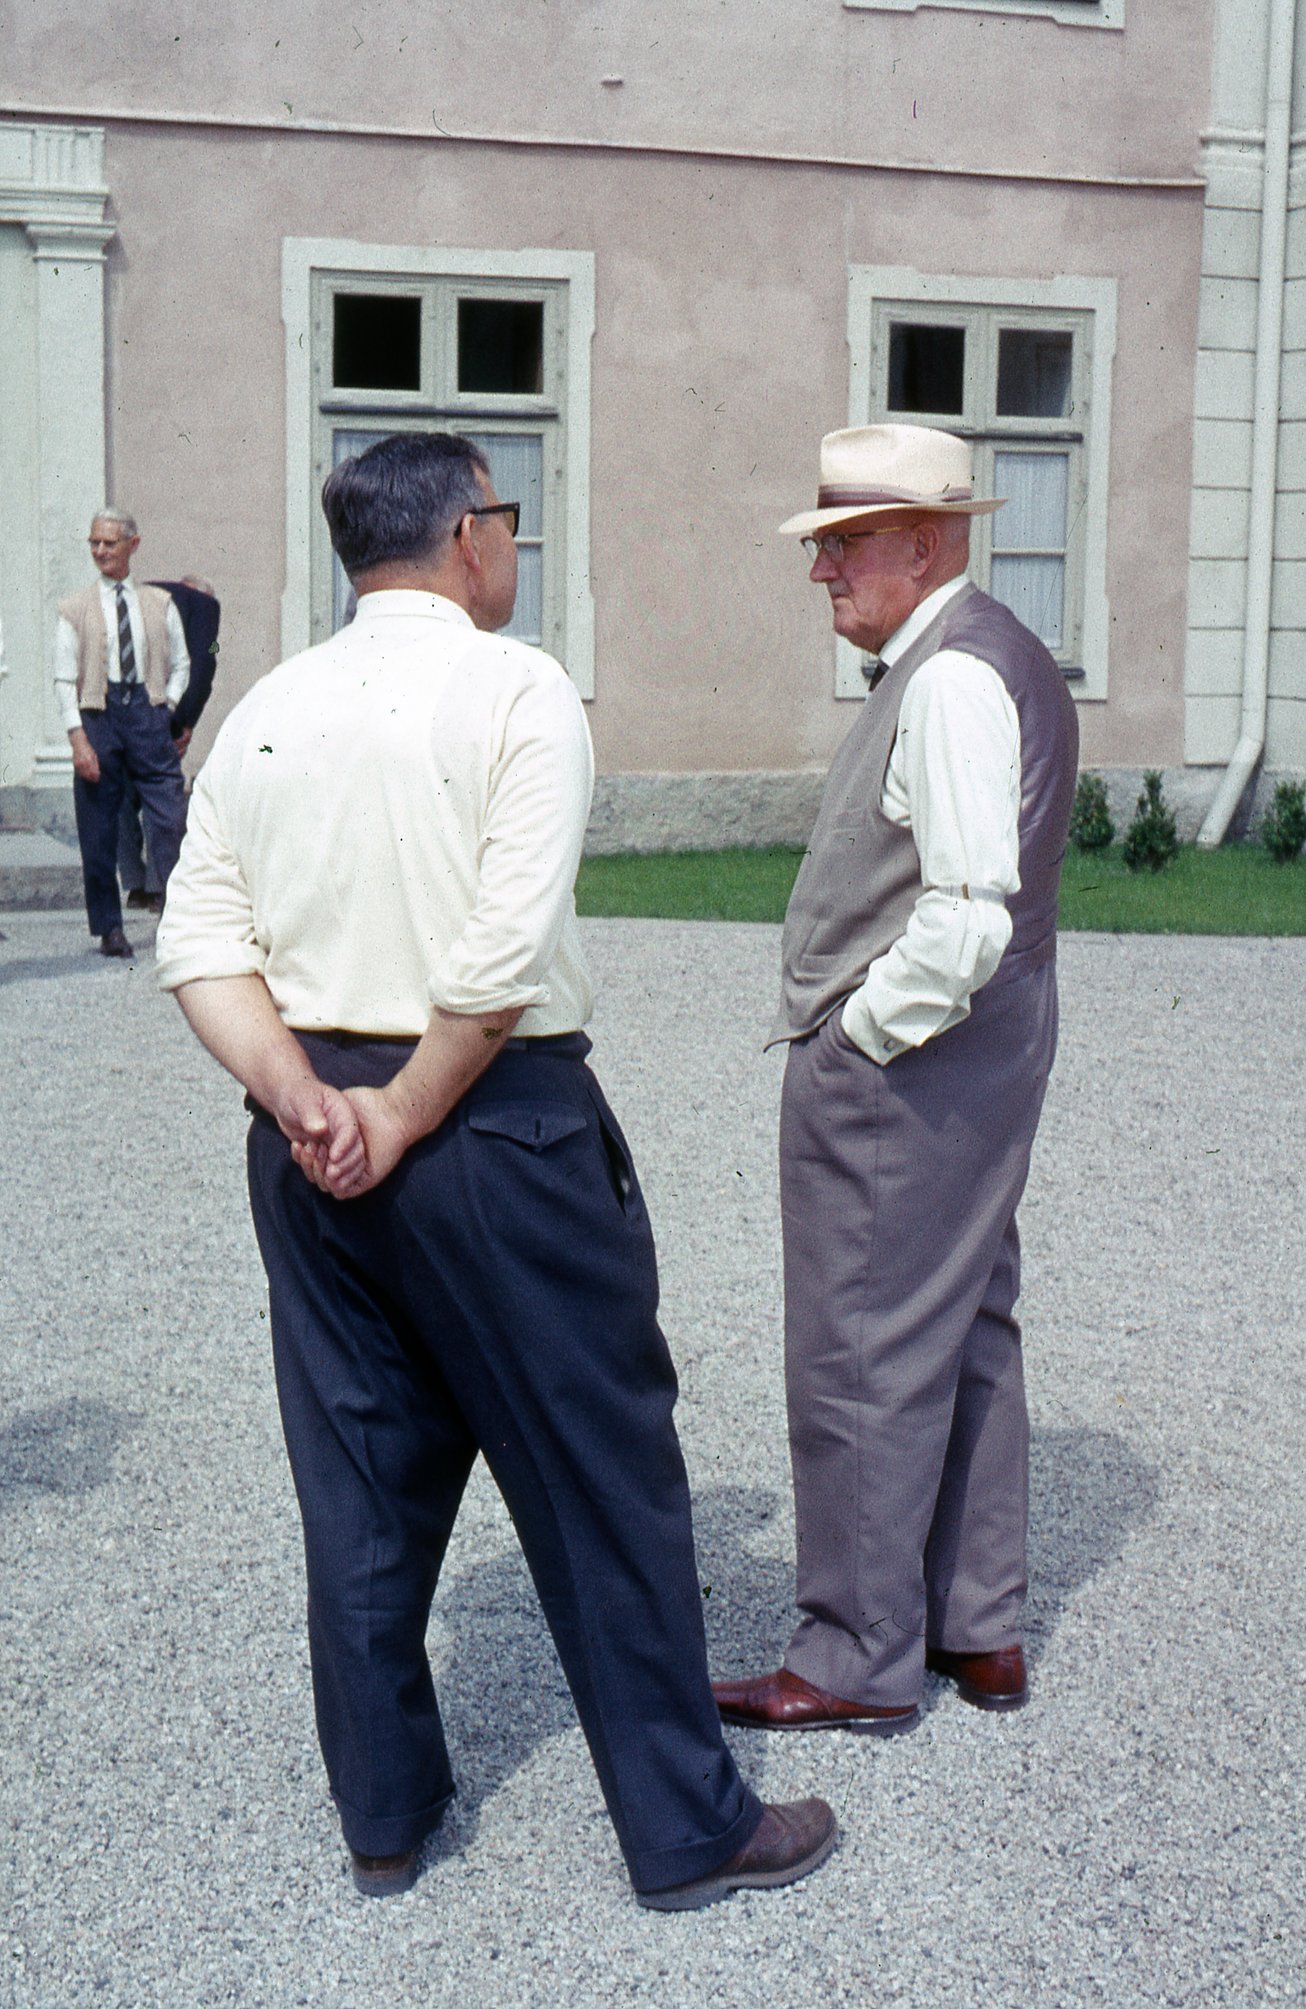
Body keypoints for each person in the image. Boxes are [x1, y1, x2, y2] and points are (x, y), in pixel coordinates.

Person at [155, 432, 835, 1907]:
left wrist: (299, 1097)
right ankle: (686, 1827)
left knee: (359, 1480)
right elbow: (503, 946)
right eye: (505, 523)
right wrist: (396, 1111)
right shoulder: (514, 686)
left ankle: (385, 1816)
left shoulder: (269, 706)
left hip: (304, 1131)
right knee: (603, 1473)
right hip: (487, 1125)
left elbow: (199, 940)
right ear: (470, 535)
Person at [713, 424, 1078, 1738]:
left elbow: (966, 913)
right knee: (964, 1317)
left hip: (914, 1057)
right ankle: (975, 1628)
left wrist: (861, 1034)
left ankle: (856, 1656)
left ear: (924, 542)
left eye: (845, 543)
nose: (822, 571)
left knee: (858, 1346)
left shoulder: (948, 678)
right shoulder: (988, 652)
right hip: (982, 1049)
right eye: (821, 545)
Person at [55, 510, 190, 958]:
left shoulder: (159, 603)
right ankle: (109, 928)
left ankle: (176, 916)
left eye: (109, 544)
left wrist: (164, 706)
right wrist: (78, 739)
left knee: (170, 815)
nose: (99, 551)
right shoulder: (75, 608)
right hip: (99, 713)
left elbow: (183, 664)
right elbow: (62, 679)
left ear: (133, 545)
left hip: (147, 714)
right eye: (93, 543)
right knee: (97, 827)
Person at [117, 574, 221, 911]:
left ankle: (134, 886)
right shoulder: (203, 604)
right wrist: (186, 722)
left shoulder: (143, 593)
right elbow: (206, 661)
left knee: (122, 795)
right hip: (161, 710)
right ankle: (162, 888)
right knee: (160, 796)